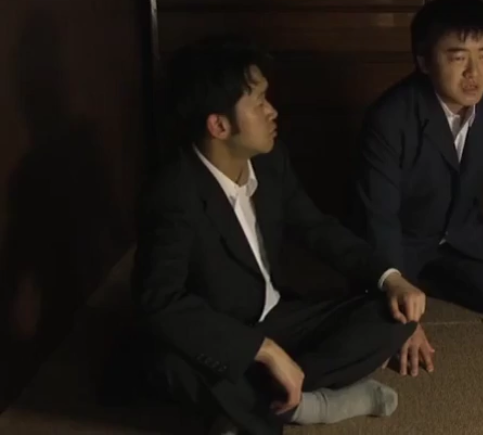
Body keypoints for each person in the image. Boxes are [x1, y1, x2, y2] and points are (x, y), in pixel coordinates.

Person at [131, 36, 424, 435]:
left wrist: (390, 277)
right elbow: (160, 301)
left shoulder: (270, 161)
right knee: (170, 363)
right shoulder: (173, 193)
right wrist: (263, 351)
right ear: (219, 125)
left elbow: (317, 228)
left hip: (276, 315)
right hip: (218, 334)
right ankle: (309, 406)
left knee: (396, 314)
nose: (273, 111)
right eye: (259, 103)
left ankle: (259, 406)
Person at [347, 0, 483, 376]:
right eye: (457, 58)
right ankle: (405, 281)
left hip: (460, 231)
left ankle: (429, 279)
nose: (474, 73)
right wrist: (399, 302)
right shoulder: (389, 117)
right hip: (401, 237)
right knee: (379, 319)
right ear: (423, 61)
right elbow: (379, 216)